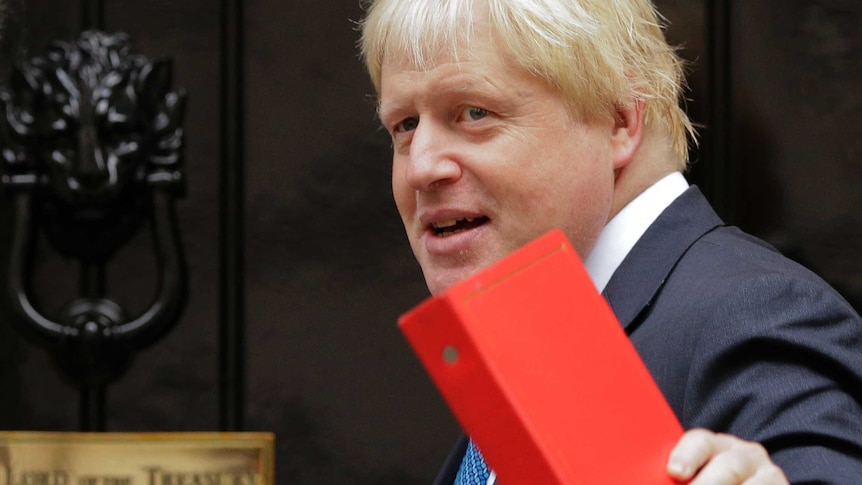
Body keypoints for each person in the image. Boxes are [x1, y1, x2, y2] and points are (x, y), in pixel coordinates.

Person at [358, 0, 862, 483]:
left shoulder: (757, 313)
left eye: (473, 113)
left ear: (619, 121)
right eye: (404, 125)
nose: (421, 167)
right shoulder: (542, 338)